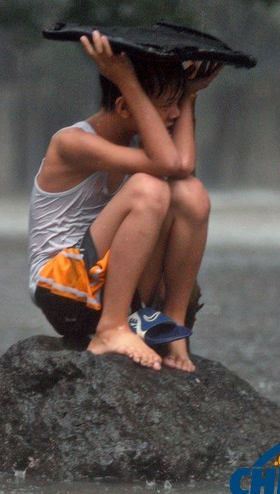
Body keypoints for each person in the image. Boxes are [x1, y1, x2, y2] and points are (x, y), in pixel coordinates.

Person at [28, 31, 221, 372]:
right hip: (65, 291)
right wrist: (125, 79)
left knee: (190, 193)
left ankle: (173, 324)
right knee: (149, 189)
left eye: (177, 105)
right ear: (124, 106)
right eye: (166, 106)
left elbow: (182, 168)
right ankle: (111, 328)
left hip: (113, 286)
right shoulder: (71, 143)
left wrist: (188, 95)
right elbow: (168, 163)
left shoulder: (137, 152)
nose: (174, 114)